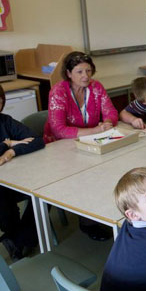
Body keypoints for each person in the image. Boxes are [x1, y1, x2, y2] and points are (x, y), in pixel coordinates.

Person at [43, 51, 119, 240]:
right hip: (59, 147)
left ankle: (93, 217)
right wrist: (95, 130)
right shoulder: (58, 92)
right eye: (79, 72)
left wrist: (108, 122)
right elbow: (59, 130)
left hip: (89, 144)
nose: (85, 76)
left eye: (88, 70)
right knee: (84, 176)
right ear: (68, 73)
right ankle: (87, 222)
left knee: (105, 170)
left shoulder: (96, 87)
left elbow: (110, 111)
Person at [0, 79, 45, 261]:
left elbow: (37, 140)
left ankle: (19, 239)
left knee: (44, 189)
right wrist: (6, 143)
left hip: (12, 177)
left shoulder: (5, 121)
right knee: (0, 198)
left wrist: (11, 152)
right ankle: (20, 238)